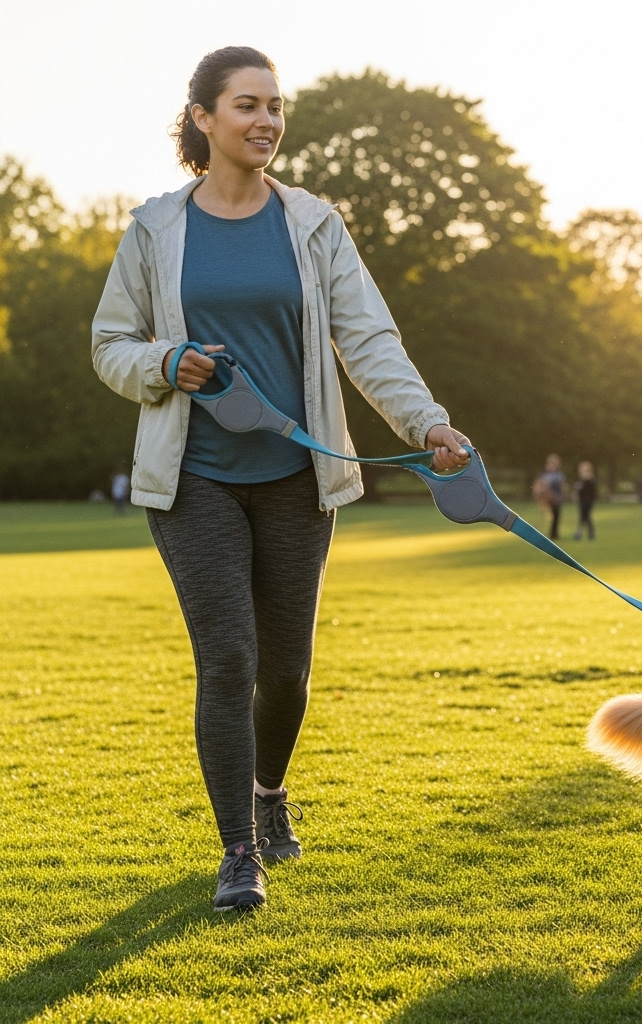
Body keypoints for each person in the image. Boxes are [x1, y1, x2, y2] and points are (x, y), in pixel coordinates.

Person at [91, 47, 470, 913]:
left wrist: (427, 422)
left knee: (287, 672)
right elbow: (110, 345)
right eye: (246, 105)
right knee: (229, 657)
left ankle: (270, 795)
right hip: (195, 478)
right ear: (203, 119)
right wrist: (164, 361)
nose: (265, 120)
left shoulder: (311, 223)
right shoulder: (155, 229)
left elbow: (367, 337)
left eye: (274, 106)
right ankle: (237, 853)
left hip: (299, 477)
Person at [532, 454, 566, 539]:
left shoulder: (559, 475)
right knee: (547, 515)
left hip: (556, 498)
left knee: (556, 516)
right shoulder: (544, 474)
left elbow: (562, 486)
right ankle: (541, 533)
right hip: (546, 499)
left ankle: (554, 534)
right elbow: (538, 485)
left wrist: (563, 495)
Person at [573, 461, 597, 540]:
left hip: (588, 501)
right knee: (584, 517)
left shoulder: (590, 480)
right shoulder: (581, 480)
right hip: (582, 501)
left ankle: (580, 532)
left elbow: (592, 491)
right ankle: (586, 533)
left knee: (585, 516)